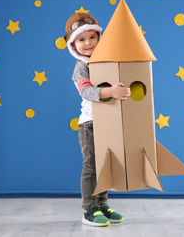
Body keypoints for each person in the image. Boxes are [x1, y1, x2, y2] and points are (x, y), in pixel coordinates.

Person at [65, 12, 130, 227]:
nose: (88, 43)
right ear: (73, 45)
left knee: (105, 166)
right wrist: (111, 91)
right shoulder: (81, 66)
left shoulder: (105, 61)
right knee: (91, 166)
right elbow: (87, 92)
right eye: (81, 40)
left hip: (108, 121)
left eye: (92, 37)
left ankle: (102, 204)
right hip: (90, 124)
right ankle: (89, 209)